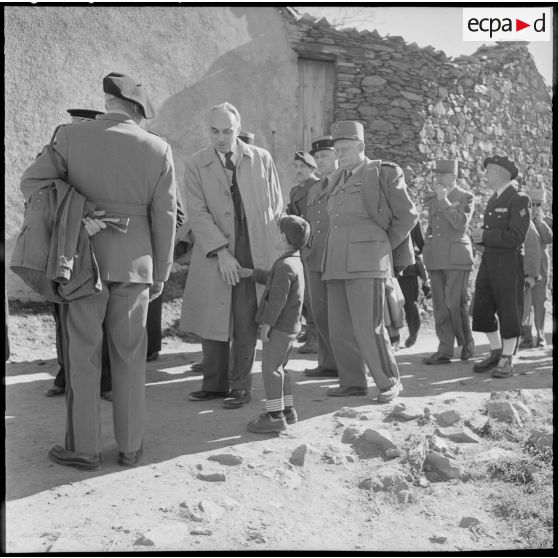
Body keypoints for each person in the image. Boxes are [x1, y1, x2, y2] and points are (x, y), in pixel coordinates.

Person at [21, 72, 177, 470]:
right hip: (136, 266)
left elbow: (33, 182)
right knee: (129, 357)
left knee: (83, 357)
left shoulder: (71, 136)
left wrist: (81, 212)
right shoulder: (159, 148)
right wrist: (160, 272)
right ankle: (130, 448)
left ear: (106, 100)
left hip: (81, 261)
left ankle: (84, 450)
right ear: (139, 110)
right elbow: (165, 218)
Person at [181, 102, 283, 409]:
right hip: (215, 251)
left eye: (227, 131)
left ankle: (240, 385)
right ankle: (213, 384)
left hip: (253, 252)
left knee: (244, 319)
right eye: (214, 130)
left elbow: (276, 206)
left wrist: (274, 254)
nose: (221, 137)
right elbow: (196, 212)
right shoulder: (196, 163)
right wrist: (221, 253)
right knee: (214, 316)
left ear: (238, 130)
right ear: (207, 129)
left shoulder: (261, 159)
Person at [322, 120, 418, 402]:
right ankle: (352, 382)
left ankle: (388, 381)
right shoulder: (337, 178)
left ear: (362, 147)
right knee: (339, 327)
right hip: (336, 259)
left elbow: (408, 215)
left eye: (346, 148)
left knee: (369, 326)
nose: (340, 154)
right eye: (337, 149)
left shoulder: (382, 172)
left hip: (367, 260)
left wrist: (383, 246)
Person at [45, 109, 112, 399]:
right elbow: (44, 191)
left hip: (97, 242)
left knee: (101, 317)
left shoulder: (106, 159)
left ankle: (105, 380)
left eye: (82, 126)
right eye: (73, 126)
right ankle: (64, 372)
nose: (74, 133)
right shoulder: (53, 154)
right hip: (61, 242)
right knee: (61, 312)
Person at [240, 215, 310, 433]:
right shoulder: (294, 261)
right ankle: (287, 410)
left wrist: (266, 325)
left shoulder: (284, 266)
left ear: (283, 236)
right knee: (281, 368)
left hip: (279, 327)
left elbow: (277, 300)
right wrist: (253, 274)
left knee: (270, 369)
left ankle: (274, 417)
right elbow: (275, 281)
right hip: (291, 327)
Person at [471, 154, 530, 378]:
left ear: (499, 172)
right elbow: (494, 233)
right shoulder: (494, 198)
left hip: (508, 261)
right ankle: (496, 350)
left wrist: (487, 235)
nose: (485, 174)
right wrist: (480, 238)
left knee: (509, 309)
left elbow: (516, 236)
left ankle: (507, 358)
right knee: (482, 308)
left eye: (488, 171)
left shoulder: (519, 199)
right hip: (490, 259)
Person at [422, 159, 475, 365]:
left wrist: (444, 201)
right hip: (436, 259)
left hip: (456, 258)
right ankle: (444, 350)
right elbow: (431, 228)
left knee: (455, 304)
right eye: (437, 175)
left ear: (453, 177)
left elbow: (460, 225)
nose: (438, 179)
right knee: (440, 307)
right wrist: (427, 248)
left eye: (442, 175)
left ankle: (466, 343)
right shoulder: (433, 198)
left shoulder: (465, 197)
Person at [303, 135, 339, 378]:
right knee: (319, 312)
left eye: (324, 155)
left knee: (339, 315)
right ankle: (327, 364)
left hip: (337, 256)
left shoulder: (344, 183)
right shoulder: (315, 187)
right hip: (314, 256)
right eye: (316, 157)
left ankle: (344, 364)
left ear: (337, 155)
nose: (320, 160)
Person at [287, 151, 319, 354]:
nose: (299, 170)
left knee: (312, 294)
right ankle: (309, 330)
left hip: (313, 245)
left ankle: (316, 338)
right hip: (300, 245)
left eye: (303, 167)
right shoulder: (295, 190)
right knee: (302, 291)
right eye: (296, 166)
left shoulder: (316, 187)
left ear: (311, 169)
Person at [519, 181, 552, 349]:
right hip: (526, 266)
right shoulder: (522, 220)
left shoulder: (547, 221)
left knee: (539, 302)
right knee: (526, 303)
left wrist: (539, 222)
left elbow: (549, 238)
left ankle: (540, 335)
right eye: (532, 204)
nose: (536, 207)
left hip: (542, 266)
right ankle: (526, 336)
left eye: (539, 204)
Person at [391, 222, 430, 349]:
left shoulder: (411, 215)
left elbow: (420, 242)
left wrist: (428, 268)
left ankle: (413, 332)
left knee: (409, 303)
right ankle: (394, 339)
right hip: (388, 265)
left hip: (408, 267)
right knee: (390, 303)